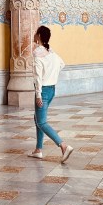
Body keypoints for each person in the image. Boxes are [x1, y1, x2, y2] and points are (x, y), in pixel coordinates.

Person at [27, 26, 74, 163]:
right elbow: (62, 64)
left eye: (36, 33)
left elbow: (37, 77)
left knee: (41, 122)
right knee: (37, 119)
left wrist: (38, 95)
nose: (34, 34)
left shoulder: (37, 53)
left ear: (39, 36)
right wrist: (52, 75)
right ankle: (38, 150)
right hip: (52, 89)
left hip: (43, 91)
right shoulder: (51, 52)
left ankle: (63, 146)